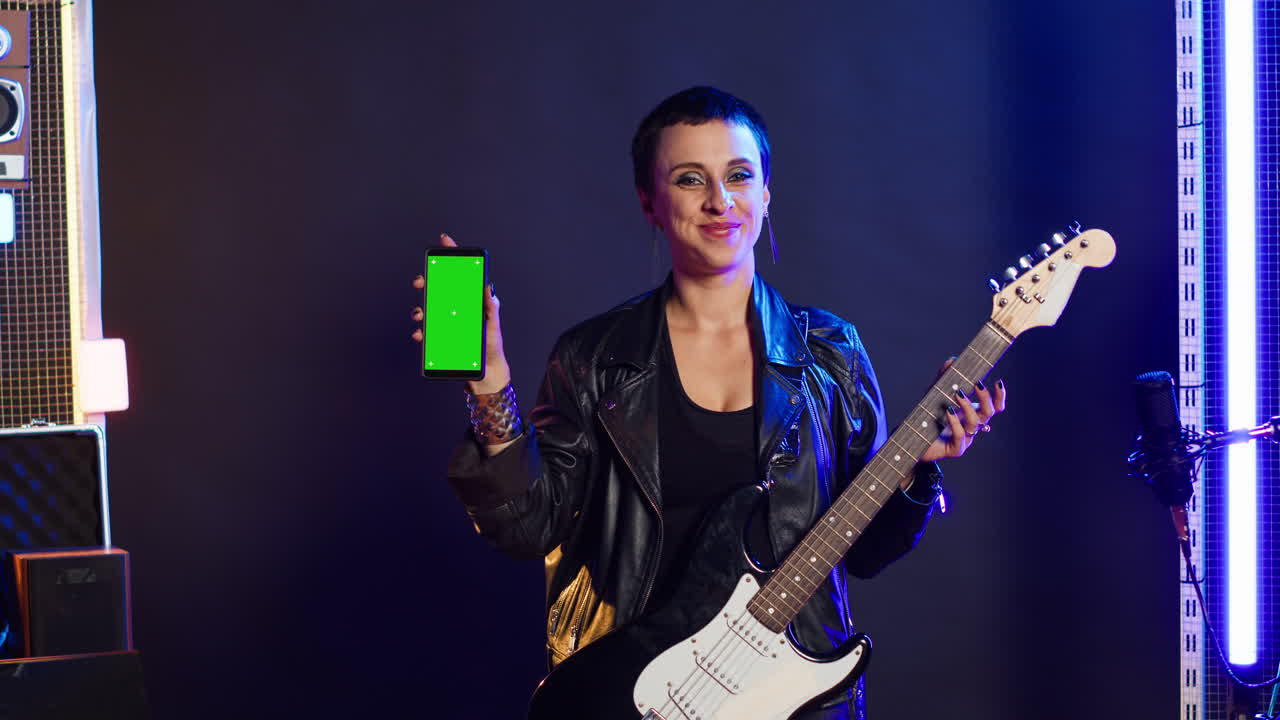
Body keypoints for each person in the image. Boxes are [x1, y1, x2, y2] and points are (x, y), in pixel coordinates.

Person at [412, 86, 1006, 719]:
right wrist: (489, 383)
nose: (720, 201)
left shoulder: (831, 352)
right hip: (633, 697)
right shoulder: (592, 357)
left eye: (739, 176)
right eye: (691, 179)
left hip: (794, 700)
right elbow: (527, 526)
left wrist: (918, 465)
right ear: (651, 202)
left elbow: (865, 552)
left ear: (767, 192)